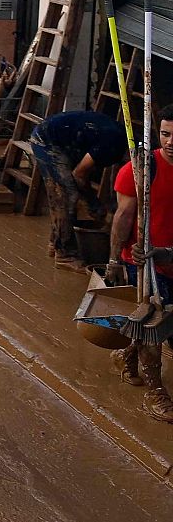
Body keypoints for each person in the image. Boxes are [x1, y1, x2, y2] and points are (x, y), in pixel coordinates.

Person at [108, 105, 173, 420]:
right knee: (153, 323)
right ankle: (155, 392)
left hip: (170, 256)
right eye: (165, 134)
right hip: (145, 262)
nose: (170, 141)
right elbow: (123, 216)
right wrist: (114, 259)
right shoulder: (140, 170)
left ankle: (126, 354)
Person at [31, 111, 128, 270]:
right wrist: (93, 203)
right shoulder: (113, 144)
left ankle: (55, 242)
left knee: (67, 191)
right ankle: (65, 254)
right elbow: (79, 174)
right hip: (47, 139)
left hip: (62, 139)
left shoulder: (119, 144)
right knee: (65, 195)